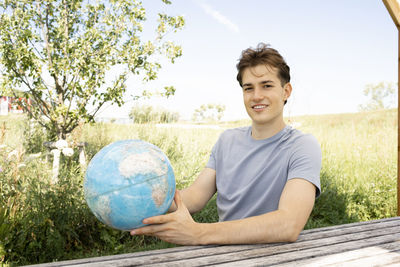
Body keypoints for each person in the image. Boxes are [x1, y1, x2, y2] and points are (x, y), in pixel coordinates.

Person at [130, 43, 321, 245]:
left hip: (274, 256)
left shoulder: (302, 146)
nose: (256, 96)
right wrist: (145, 198)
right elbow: (195, 197)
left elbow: (288, 224)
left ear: (286, 91)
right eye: (249, 88)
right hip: (223, 255)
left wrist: (198, 233)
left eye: (267, 85)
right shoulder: (227, 140)